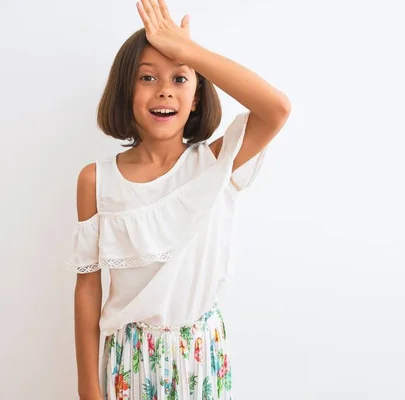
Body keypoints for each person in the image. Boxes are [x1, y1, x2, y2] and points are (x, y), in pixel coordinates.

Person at [66, 1, 291, 399]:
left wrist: (190, 52)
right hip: (129, 360)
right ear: (125, 90)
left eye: (180, 79)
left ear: (199, 96)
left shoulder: (218, 163)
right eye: (148, 77)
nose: (165, 89)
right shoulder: (96, 181)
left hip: (202, 354)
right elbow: (88, 287)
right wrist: (88, 387)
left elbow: (275, 109)